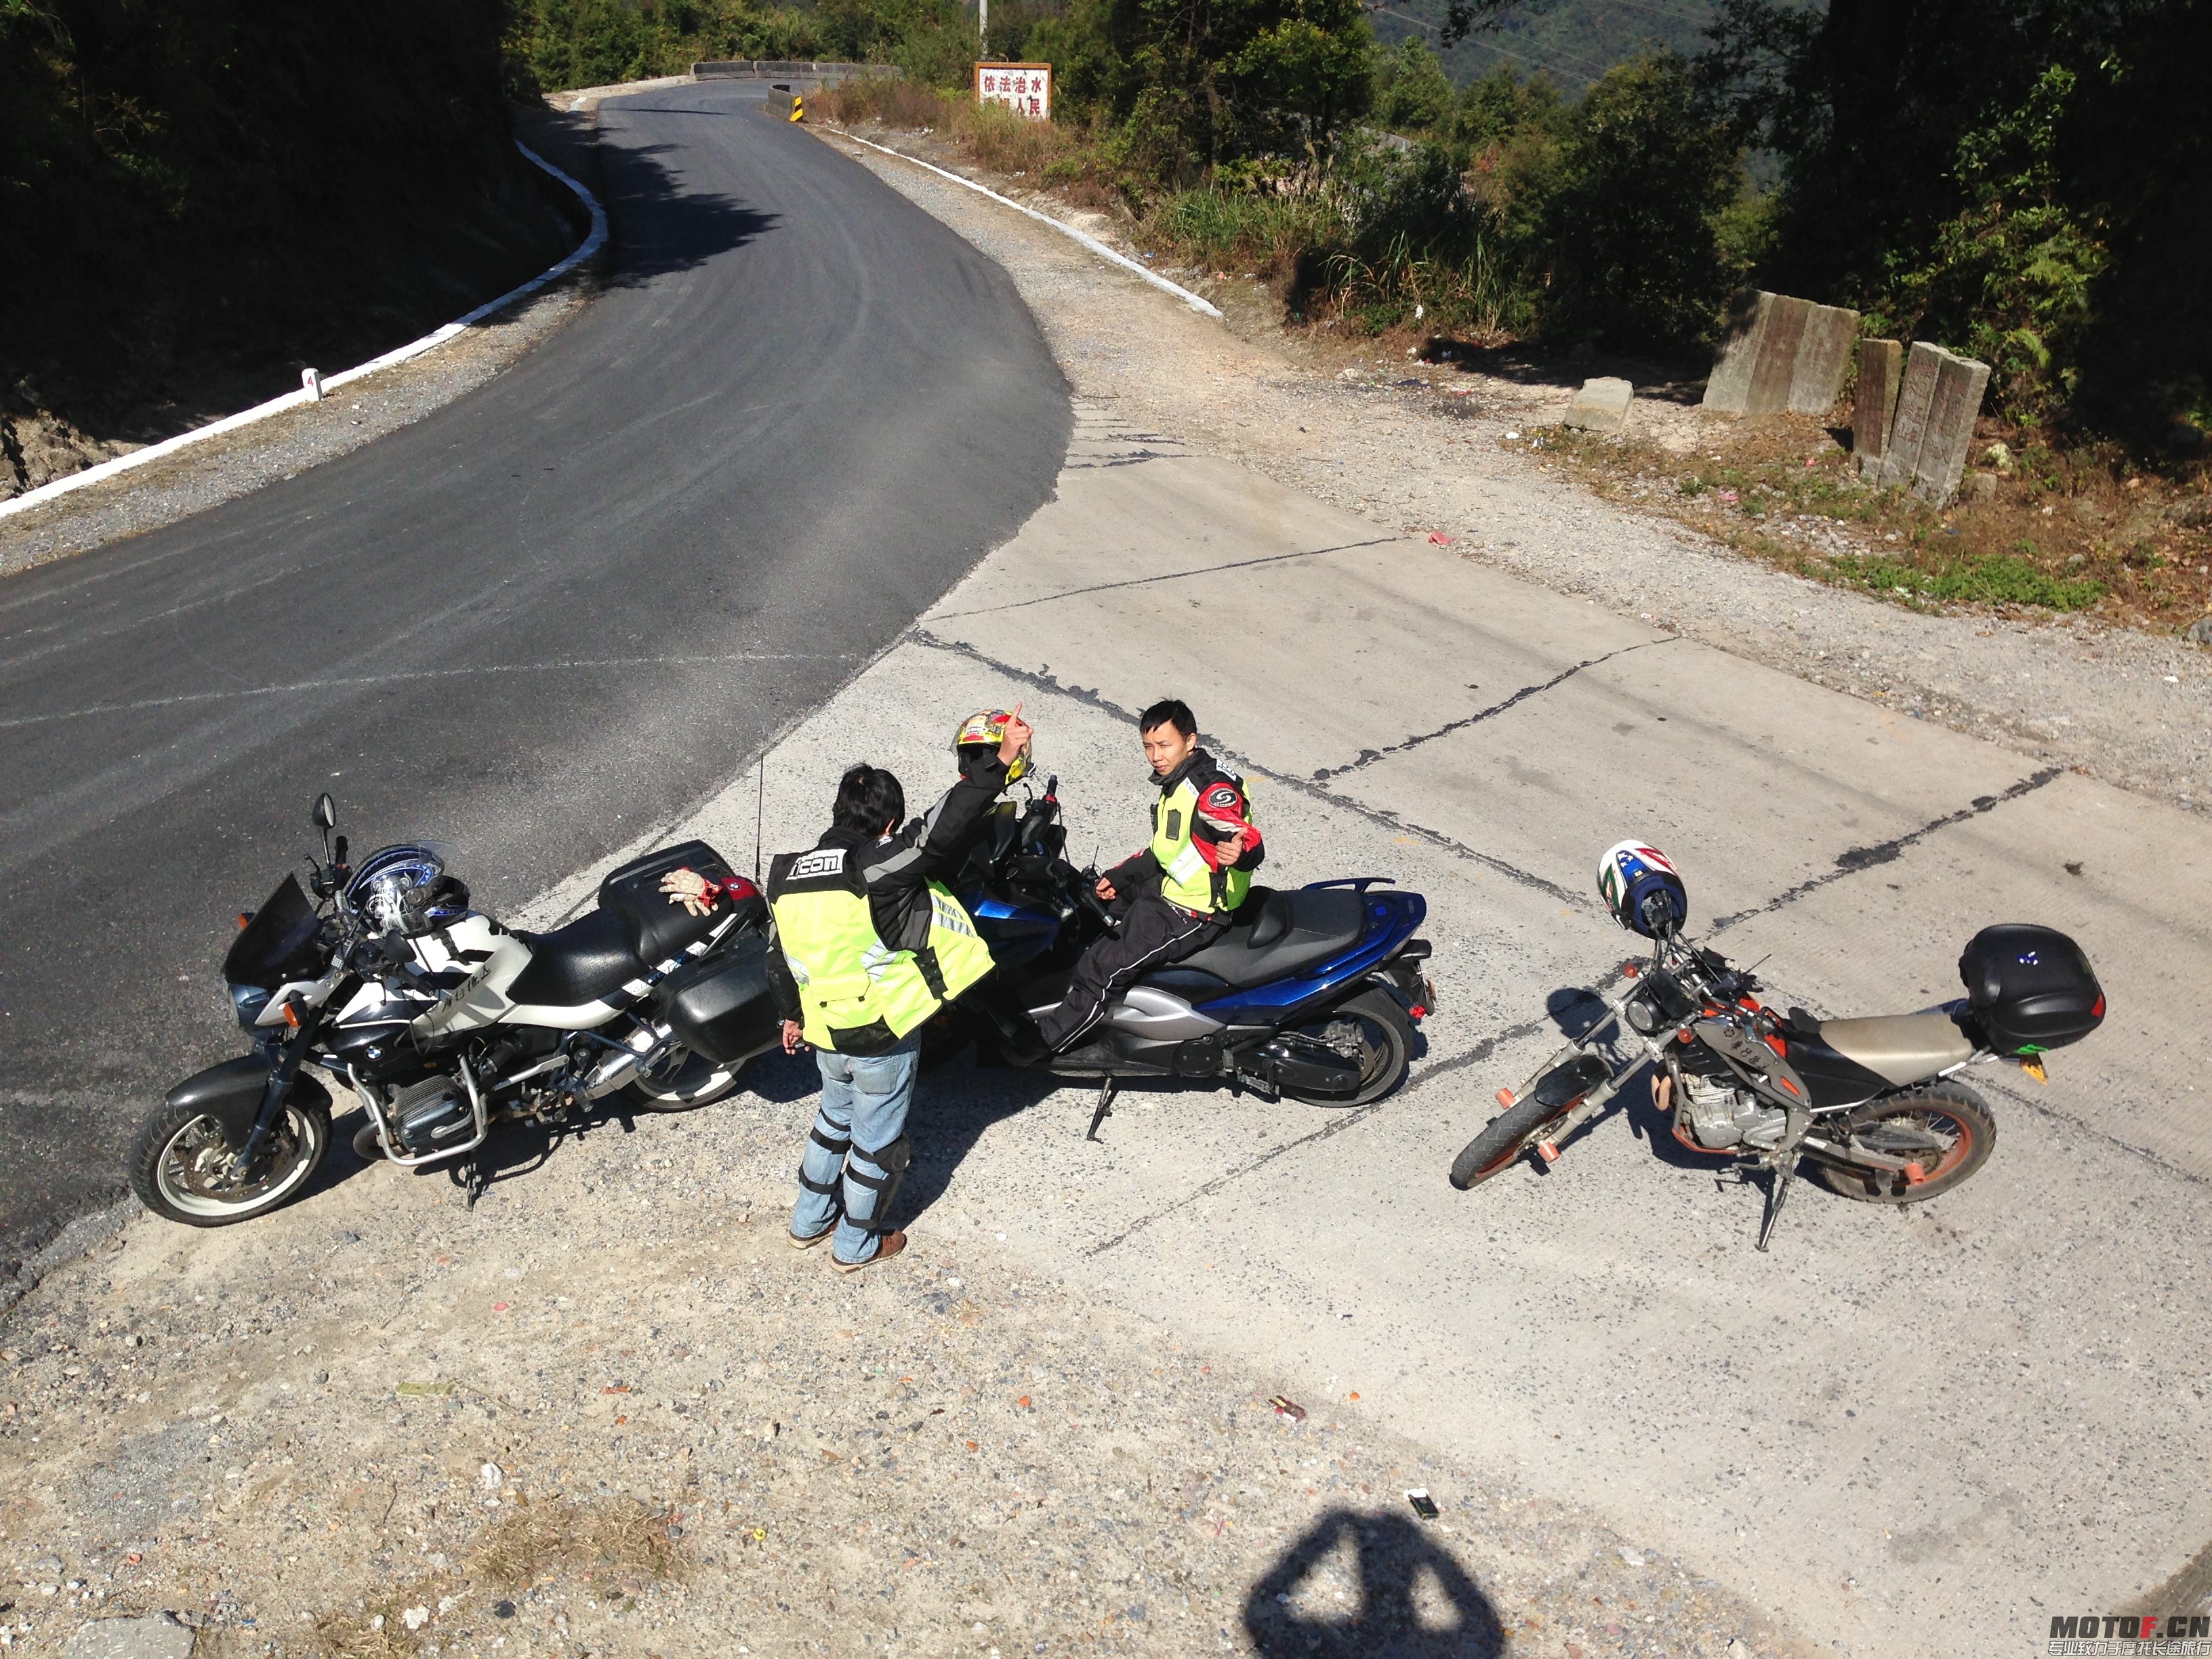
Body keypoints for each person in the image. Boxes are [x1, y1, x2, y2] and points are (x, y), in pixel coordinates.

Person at [662, 710, 1031, 1271]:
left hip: (824, 1032)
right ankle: (856, 1244)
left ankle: (807, 1222)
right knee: (875, 1142)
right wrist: (999, 765)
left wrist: (791, 1017)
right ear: (887, 825)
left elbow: (779, 958)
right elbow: (942, 828)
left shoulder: (786, 874)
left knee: (833, 1122)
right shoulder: (877, 866)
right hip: (881, 1034)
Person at [1033, 699, 1261, 1052]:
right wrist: (1118, 877)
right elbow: (1166, 850)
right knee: (1090, 902)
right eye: (1148, 747)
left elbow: (1240, 833)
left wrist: (1243, 852)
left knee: (1104, 966)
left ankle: (1043, 1043)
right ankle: (1046, 987)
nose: (1155, 755)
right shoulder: (1179, 780)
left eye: (1164, 745)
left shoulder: (1209, 789)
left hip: (1195, 907)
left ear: (1190, 741)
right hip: (1176, 883)